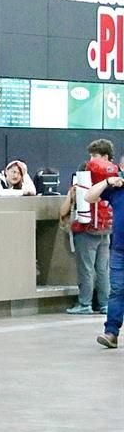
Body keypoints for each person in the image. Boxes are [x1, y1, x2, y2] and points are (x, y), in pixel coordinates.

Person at [61, 141, 114, 316]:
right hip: (105, 228)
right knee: (102, 269)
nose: (91, 160)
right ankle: (105, 304)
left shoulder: (86, 178)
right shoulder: (113, 178)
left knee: (86, 268)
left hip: (86, 229)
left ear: (105, 157)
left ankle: (85, 303)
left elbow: (65, 210)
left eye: (95, 156)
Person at [85, 156, 124, 349]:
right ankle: (111, 333)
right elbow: (89, 197)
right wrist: (107, 181)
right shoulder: (116, 189)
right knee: (116, 290)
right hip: (119, 249)